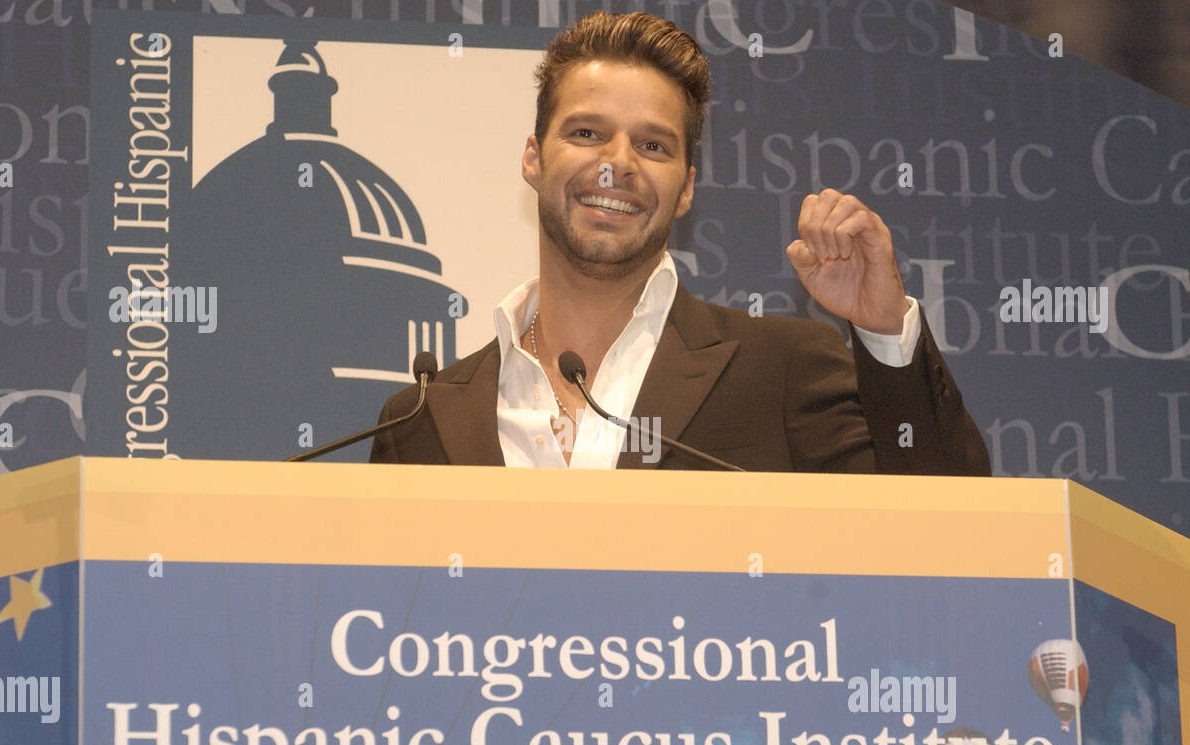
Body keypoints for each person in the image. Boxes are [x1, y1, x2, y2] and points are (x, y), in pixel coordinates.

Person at [370, 11, 990, 475]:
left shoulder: (783, 370)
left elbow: (946, 533)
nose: (617, 165)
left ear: (687, 186)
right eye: (587, 133)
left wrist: (883, 330)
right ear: (533, 158)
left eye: (653, 145)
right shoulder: (420, 419)